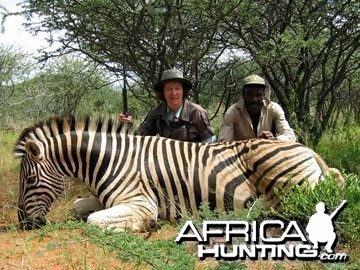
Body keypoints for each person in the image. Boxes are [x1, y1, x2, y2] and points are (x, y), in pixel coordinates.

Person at [119, 68, 217, 143]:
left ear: (183, 91)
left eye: (177, 88)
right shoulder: (156, 112)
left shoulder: (197, 112)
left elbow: (210, 144)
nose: (173, 93)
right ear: (163, 92)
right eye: (169, 89)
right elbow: (141, 138)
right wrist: (127, 125)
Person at [218, 74, 296, 142]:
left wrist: (274, 140)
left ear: (264, 95)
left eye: (258, 95)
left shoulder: (274, 109)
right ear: (243, 94)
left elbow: (290, 136)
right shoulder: (232, 112)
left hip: (268, 152)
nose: (254, 99)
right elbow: (223, 141)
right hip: (243, 155)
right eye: (250, 95)